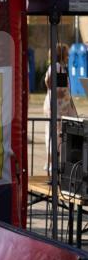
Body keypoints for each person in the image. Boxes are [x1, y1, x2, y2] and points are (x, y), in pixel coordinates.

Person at [44, 43, 77, 175]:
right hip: (57, 107)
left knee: (55, 134)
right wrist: (56, 91)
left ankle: (52, 162)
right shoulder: (56, 67)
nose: (68, 56)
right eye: (67, 54)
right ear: (61, 54)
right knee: (56, 135)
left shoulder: (58, 67)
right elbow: (48, 81)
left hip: (59, 105)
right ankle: (53, 163)